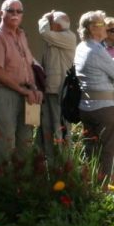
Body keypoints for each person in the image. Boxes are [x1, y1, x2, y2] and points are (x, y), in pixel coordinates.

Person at [74, 10, 114, 177]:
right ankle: (106, 190)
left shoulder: (80, 47)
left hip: (86, 106)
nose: (106, 28)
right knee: (109, 152)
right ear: (93, 28)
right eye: (102, 24)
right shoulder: (97, 50)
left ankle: (91, 185)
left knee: (91, 151)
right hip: (104, 108)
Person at [0, 0, 42, 161]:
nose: (15, 14)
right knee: (6, 141)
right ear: (1, 13)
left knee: (26, 142)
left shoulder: (22, 34)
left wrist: (33, 88)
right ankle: (5, 183)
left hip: (25, 93)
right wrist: (23, 90)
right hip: (4, 93)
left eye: (19, 11)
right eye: (10, 10)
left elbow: (28, 64)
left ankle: (23, 181)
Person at [38, 9, 78, 149]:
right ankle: (50, 160)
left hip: (60, 89)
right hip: (50, 88)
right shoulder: (55, 37)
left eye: (51, 23)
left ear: (57, 26)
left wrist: (44, 18)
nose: (49, 25)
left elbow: (44, 33)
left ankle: (64, 160)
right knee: (47, 125)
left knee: (60, 126)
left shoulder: (68, 36)